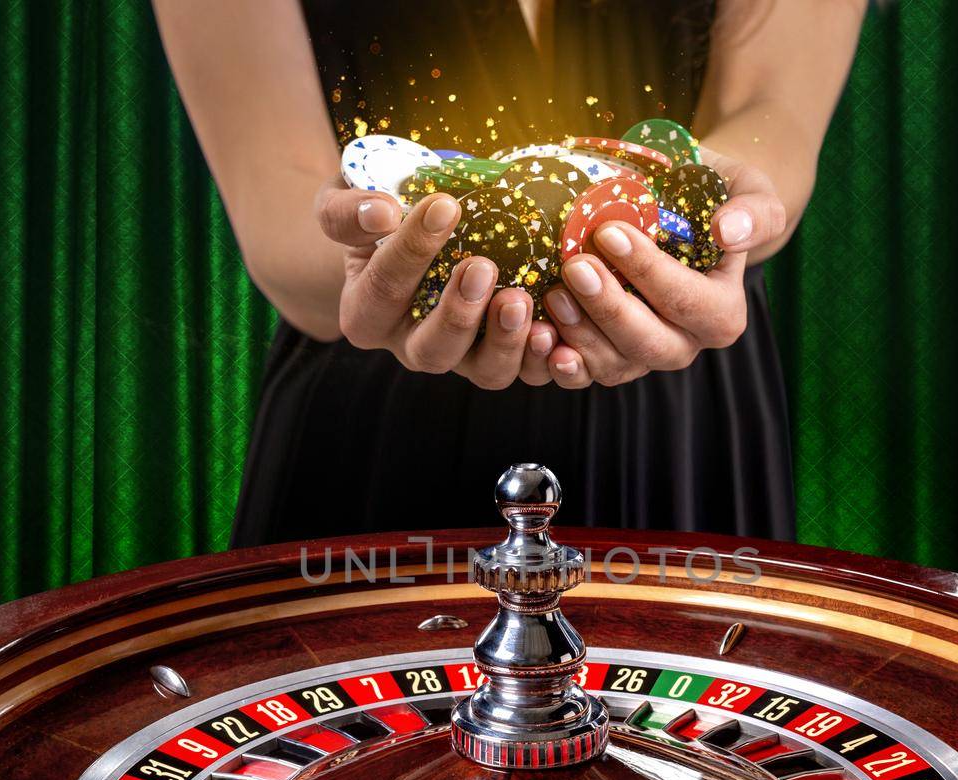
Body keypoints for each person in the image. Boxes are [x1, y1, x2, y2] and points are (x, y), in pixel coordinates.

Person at [154, 0, 866, 544]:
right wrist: (381, 258)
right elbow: (276, 197)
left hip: (683, 408)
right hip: (371, 426)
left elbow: (768, 112)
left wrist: (717, 219)